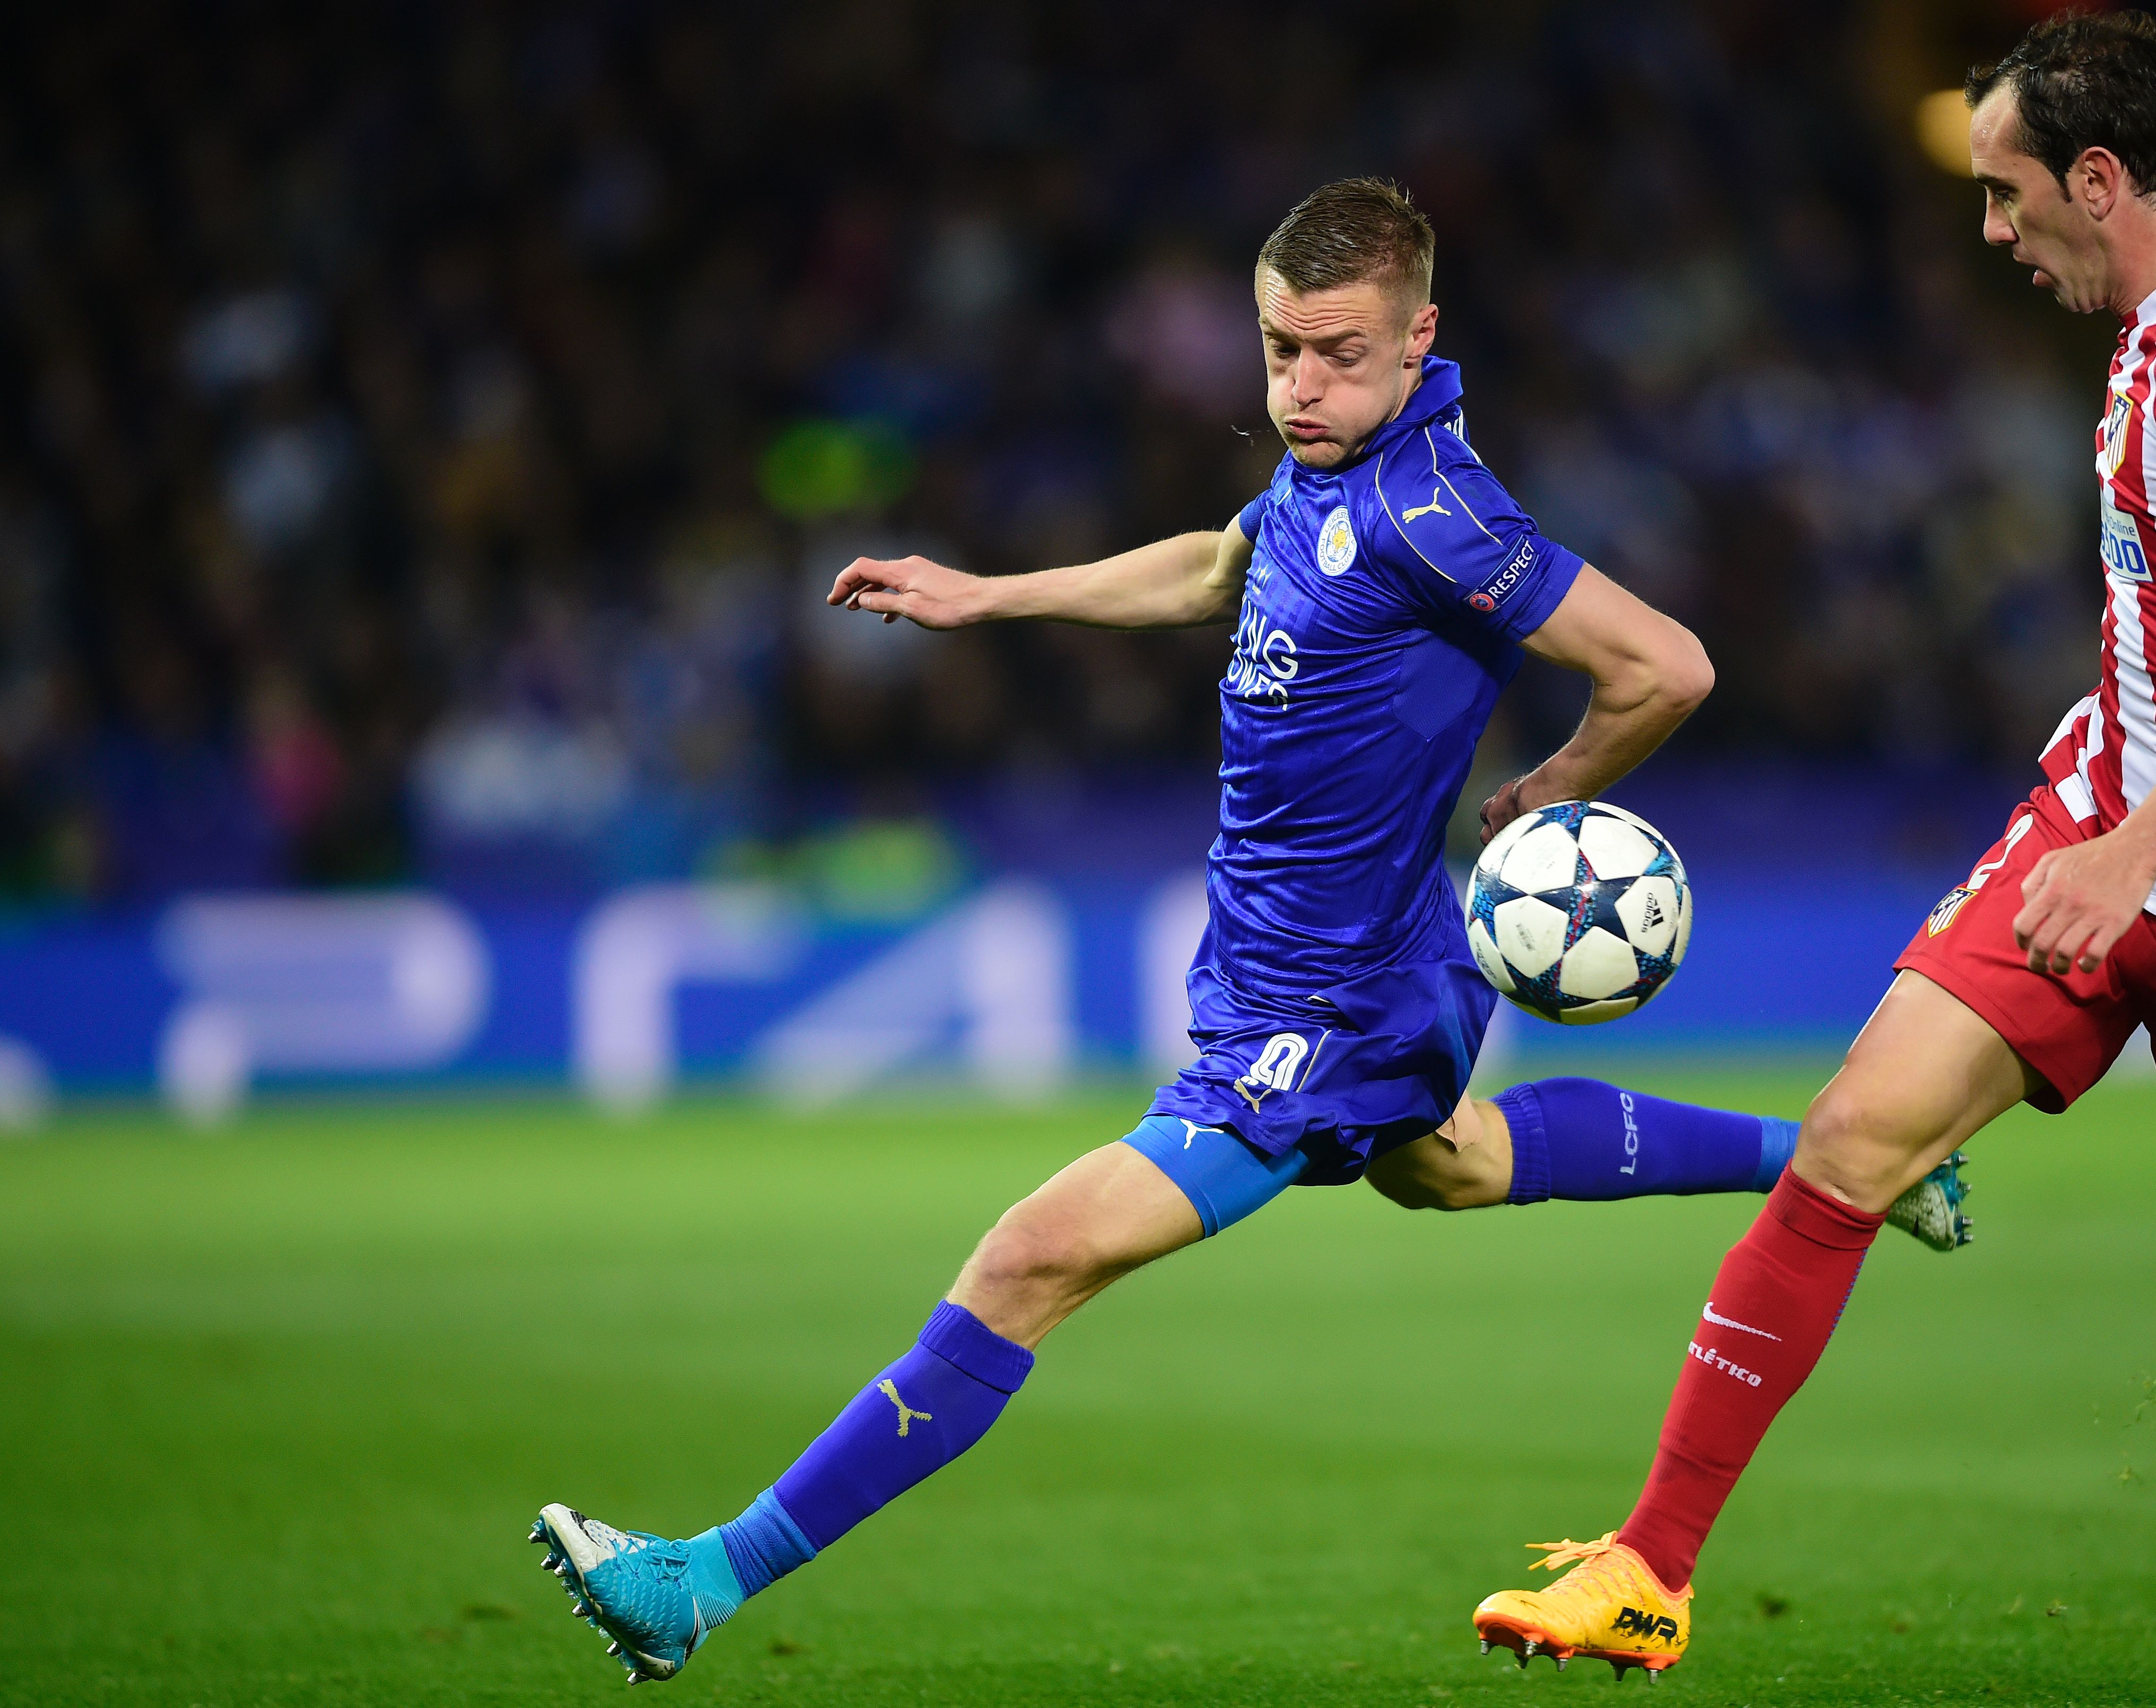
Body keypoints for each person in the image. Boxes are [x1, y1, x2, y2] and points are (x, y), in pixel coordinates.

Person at [526, 177, 1968, 1686]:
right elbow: (1219, 567)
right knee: (1447, 1163)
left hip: (1328, 1005)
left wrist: (1551, 791)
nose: (1301, 388)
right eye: (1282, 351)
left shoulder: (1435, 513)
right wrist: (988, 596)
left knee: (1029, 1259)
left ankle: (701, 1581)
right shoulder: (1328, 476)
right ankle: (1852, 1164)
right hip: (1313, 969)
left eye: (1340, 355)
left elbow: (1666, 667)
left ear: (1420, 338)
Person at [1469, 11, 2156, 1684]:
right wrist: (2109, 831)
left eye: (2005, 192)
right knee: (1854, 1142)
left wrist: (2137, 852)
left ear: (2099, 178)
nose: (1989, 231)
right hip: (2099, 823)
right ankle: (1649, 1569)